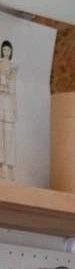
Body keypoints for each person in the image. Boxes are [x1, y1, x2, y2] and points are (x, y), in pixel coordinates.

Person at [0, 41, 16, 183]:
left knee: (9, 137)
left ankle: (10, 168)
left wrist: (15, 107)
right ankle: (0, 167)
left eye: (8, 50)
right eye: (4, 49)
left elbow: (14, 90)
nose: (6, 52)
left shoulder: (13, 68)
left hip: (9, 104)